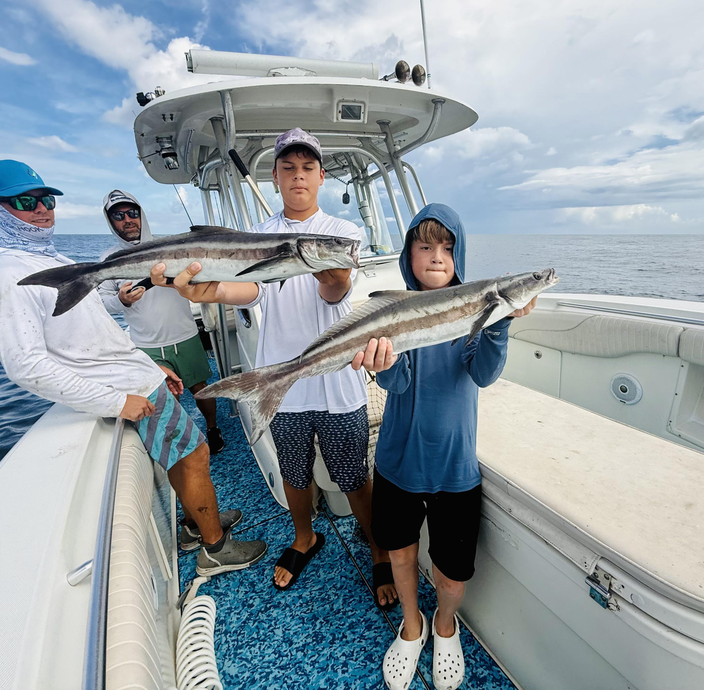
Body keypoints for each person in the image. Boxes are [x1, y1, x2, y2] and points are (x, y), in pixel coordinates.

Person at [0, 160, 266, 577]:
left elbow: (96, 331)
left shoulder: (49, 260)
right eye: (25, 201)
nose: (42, 210)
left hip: (140, 377)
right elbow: (25, 366)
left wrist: (148, 368)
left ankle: (192, 526)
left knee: (186, 455)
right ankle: (215, 548)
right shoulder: (4, 279)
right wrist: (115, 400)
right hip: (126, 391)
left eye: (46, 199)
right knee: (196, 454)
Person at [148, 128, 398, 607]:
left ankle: (380, 550)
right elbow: (249, 288)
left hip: (337, 378)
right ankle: (304, 537)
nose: (298, 176)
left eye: (307, 168)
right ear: (277, 177)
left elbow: (336, 291)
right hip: (281, 383)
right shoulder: (260, 236)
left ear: (321, 176)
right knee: (294, 472)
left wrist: (334, 275)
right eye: (288, 168)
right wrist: (213, 291)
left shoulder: (342, 233)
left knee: (353, 474)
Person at [353, 204, 536, 690]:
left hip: (456, 468)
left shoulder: (476, 309)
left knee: (453, 575)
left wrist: (499, 321)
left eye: (448, 247)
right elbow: (398, 381)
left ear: (460, 255)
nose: (437, 256)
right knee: (401, 557)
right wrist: (382, 363)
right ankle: (412, 627)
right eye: (425, 245)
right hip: (396, 464)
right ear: (409, 253)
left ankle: (445, 625)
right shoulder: (395, 310)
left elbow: (482, 373)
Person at [96, 190, 228, 550]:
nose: (127, 220)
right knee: (165, 414)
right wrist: (121, 299)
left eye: (131, 212)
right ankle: (196, 520)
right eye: (119, 216)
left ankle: (213, 429)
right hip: (146, 345)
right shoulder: (111, 258)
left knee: (202, 387)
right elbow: (102, 298)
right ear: (111, 222)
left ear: (141, 213)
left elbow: (197, 278)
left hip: (184, 333)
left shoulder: (169, 246)